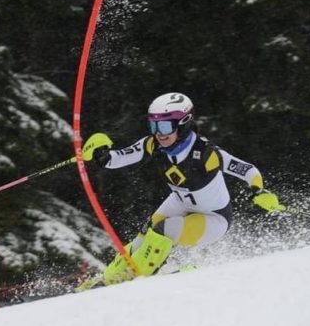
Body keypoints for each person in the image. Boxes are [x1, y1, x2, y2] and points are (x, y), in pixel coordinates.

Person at [80, 92, 284, 287]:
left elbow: (248, 170)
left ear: (184, 123)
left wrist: (259, 190)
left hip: (214, 218)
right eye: (154, 125)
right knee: (145, 232)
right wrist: (102, 157)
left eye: (166, 126)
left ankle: (136, 278)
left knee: (163, 231)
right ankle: (111, 278)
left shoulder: (206, 153)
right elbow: (118, 158)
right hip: (180, 201)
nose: (159, 133)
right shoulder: (153, 144)